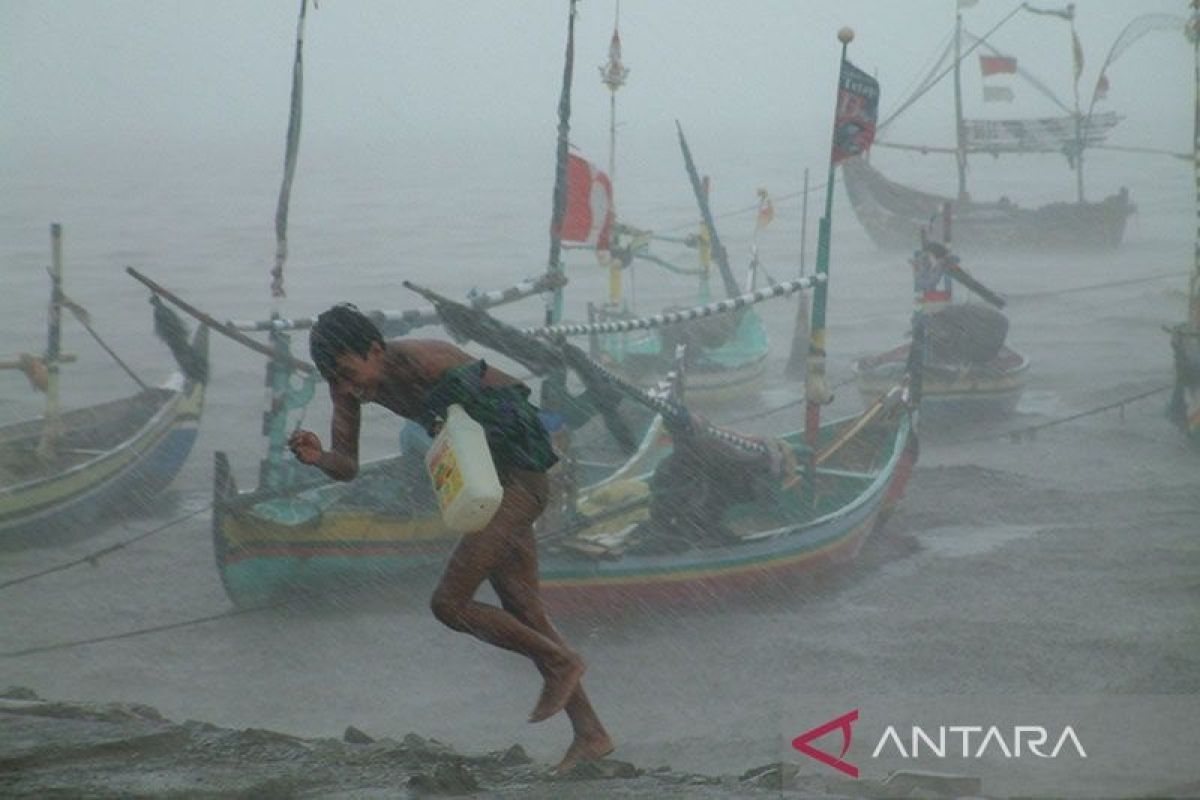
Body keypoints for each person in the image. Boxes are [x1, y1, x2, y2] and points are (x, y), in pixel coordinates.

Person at [287, 304, 612, 773]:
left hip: (519, 481)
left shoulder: (432, 362)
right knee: (523, 609)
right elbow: (348, 465)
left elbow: (521, 416)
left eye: (345, 372)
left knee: (450, 604)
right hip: (490, 489)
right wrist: (318, 457)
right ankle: (591, 733)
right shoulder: (353, 388)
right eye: (333, 380)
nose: (345, 388)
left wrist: (458, 428)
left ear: (374, 349)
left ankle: (561, 661)